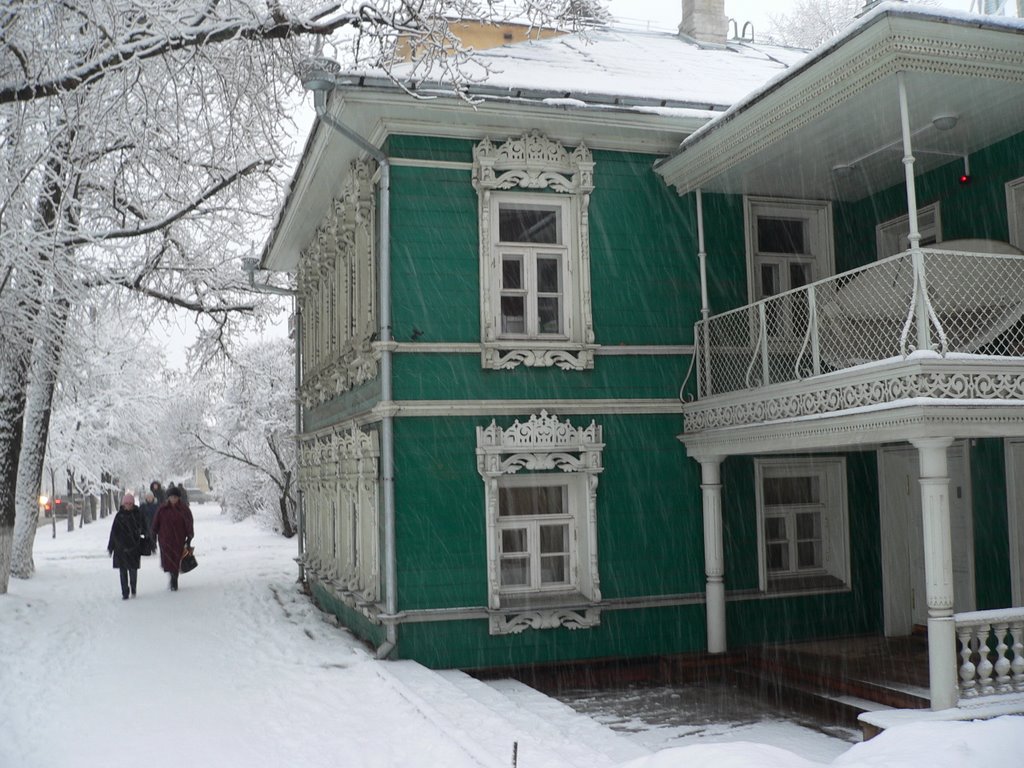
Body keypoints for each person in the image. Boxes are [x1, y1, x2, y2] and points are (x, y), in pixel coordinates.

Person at [151, 484, 194, 591]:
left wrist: (189, 536)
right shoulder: (162, 509)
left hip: (178, 539)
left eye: (175, 497)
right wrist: (153, 534)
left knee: (176, 560)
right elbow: (156, 523)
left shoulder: (184, 509)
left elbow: (189, 523)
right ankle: (172, 577)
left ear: (178, 497)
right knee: (168, 561)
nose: (173, 499)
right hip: (165, 539)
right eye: (171, 497)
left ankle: (174, 581)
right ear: (168, 498)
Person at [107, 493, 146, 599]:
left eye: (130, 503)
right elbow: (113, 532)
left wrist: (146, 537)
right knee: (122, 572)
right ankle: (125, 592)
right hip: (121, 548)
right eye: (126, 503)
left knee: (133, 571)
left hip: (134, 548)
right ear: (123, 504)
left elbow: (145, 528)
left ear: (133, 504)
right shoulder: (119, 516)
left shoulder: (138, 514)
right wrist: (111, 547)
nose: (128, 505)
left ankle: (133, 588)